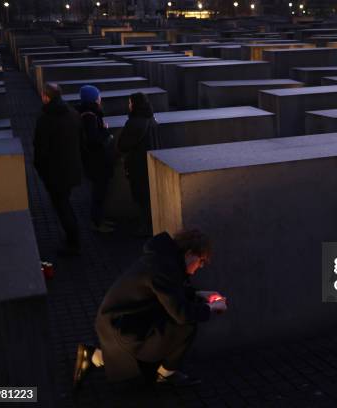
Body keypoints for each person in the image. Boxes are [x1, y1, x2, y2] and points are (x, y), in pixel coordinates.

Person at [73, 229, 226, 388]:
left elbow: (171, 292)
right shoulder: (163, 269)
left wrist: (200, 294)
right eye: (201, 261)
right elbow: (182, 314)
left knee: (172, 323)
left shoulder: (165, 260)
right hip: (121, 326)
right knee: (186, 325)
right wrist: (210, 307)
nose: (200, 266)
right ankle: (165, 374)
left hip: (123, 318)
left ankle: (95, 356)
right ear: (189, 254)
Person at [33, 83, 83, 256]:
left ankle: (73, 242)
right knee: (65, 203)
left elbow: (40, 149)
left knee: (62, 207)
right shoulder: (73, 113)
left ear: (46, 97)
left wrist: (40, 170)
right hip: (71, 168)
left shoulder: (45, 119)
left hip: (54, 173)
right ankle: (73, 238)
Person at [116, 92, 157, 237]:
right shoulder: (151, 118)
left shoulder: (134, 122)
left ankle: (145, 227)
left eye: (130, 103)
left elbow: (122, 145)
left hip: (137, 165)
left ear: (135, 104)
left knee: (141, 197)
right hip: (151, 162)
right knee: (149, 196)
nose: (128, 105)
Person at [76, 85, 115, 233]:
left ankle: (100, 220)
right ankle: (97, 223)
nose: (100, 98)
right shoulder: (90, 116)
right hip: (96, 161)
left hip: (94, 160)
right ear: (94, 98)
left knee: (100, 192)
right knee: (98, 193)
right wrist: (106, 133)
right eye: (98, 96)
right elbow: (93, 140)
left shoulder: (88, 114)